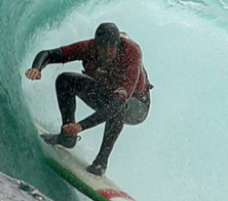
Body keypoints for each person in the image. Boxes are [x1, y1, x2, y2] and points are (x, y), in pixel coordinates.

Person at [25, 22, 151, 176]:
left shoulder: (131, 54)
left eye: (111, 47)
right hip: (109, 95)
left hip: (137, 106)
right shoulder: (88, 48)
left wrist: (81, 126)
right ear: (96, 44)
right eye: (103, 47)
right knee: (65, 80)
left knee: (118, 107)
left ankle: (101, 162)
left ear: (118, 45)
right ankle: (67, 137)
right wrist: (36, 68)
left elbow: (117, 104)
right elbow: (49, 55)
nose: (107, 51)